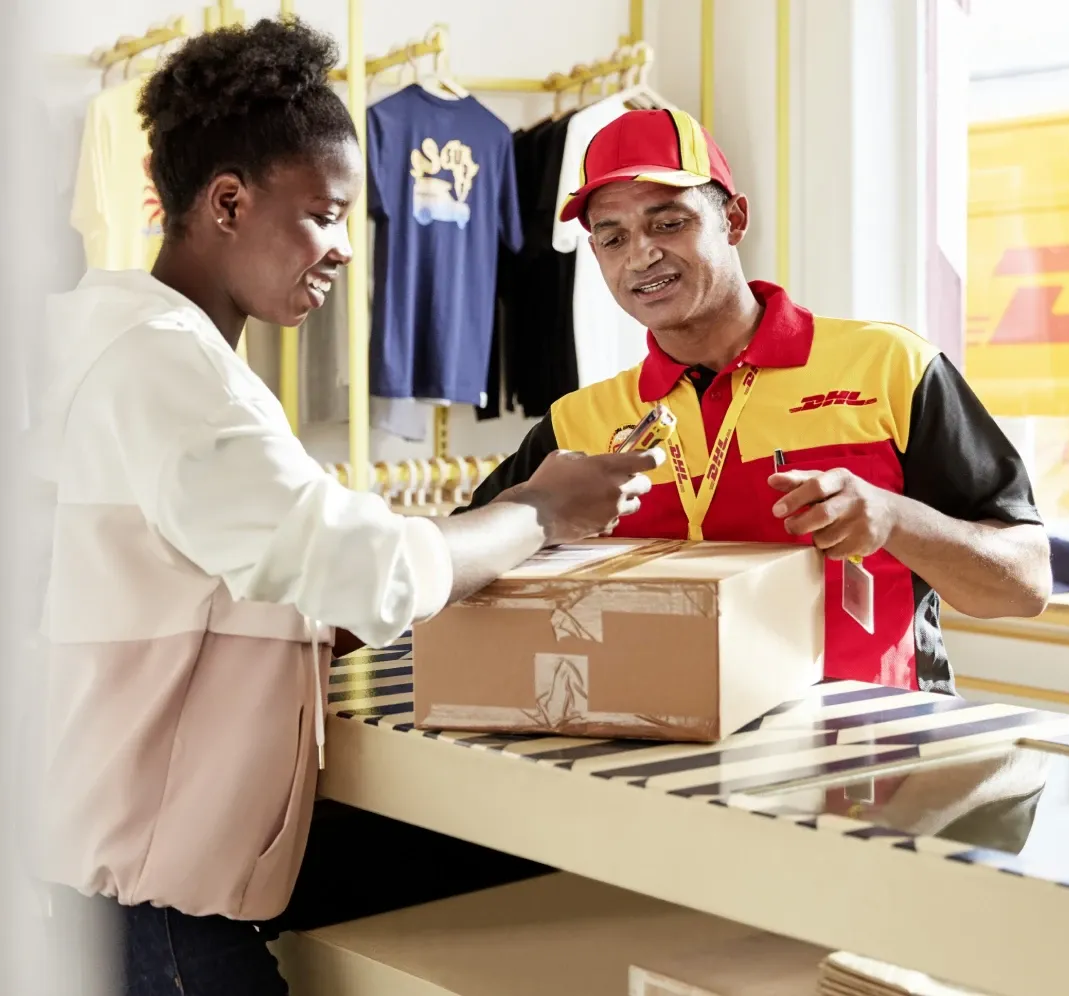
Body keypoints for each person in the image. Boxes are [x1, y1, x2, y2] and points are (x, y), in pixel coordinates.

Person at [32, 19, 660, 995]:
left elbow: (221, 587)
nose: (341, 252)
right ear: (228, 203)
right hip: (159, 912)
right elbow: (363, 569)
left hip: (125, 879)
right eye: (324, 215)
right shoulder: (165, 371)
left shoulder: (120, 341)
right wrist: (540, 506)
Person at [463, 109, 1051, 693]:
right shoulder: (578, 423)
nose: (640, 255)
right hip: (663, 755)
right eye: (613, 237)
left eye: (668, 223)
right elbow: (464, 567)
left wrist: (896, 519)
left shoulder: (890, 367)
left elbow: (1026, 583)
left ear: (734, 220)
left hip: (872, 755)